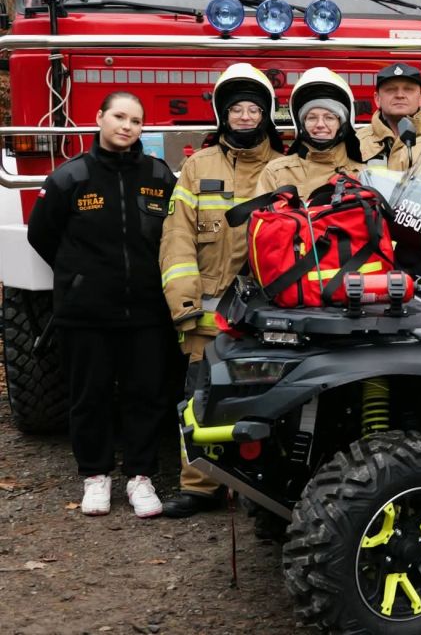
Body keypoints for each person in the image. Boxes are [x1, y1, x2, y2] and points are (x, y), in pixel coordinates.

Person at [27, 92, 176, 518]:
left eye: (136, 120)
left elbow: (172, 234)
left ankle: (141, 478)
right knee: (88, 395)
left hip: (147, 310)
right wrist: (80, 276)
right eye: (119, 117)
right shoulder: (70, 177)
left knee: (145, 393)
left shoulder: (158, 175)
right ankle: (96, 476)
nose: (127, 126)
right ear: (99, 118)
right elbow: (42, 234)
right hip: (85, 312)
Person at [157, 64, 284, 518]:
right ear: (222, 115)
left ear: (267, 114)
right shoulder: (196, 167)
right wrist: (185, 303)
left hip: (274, 310)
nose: (246, 117)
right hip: (208, 315)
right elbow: (177, 239)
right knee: (199, 397)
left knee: (269, 396)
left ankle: (259, 487)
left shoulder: (286, 165)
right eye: (237, 109)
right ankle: (200, 486)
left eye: (254, 109)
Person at [256, 67, 364, 198]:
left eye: (329, 118)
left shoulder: (362, 175)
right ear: (302, 123)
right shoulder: (275, 172)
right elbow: (261, 217)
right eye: (312, 117)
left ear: (342, 124)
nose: (320, 125)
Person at [357, 62, 421, 170]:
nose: (400, 95)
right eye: (390, 90)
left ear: (420, 98)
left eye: (408, 89)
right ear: (377, 99)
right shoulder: (356, 142)